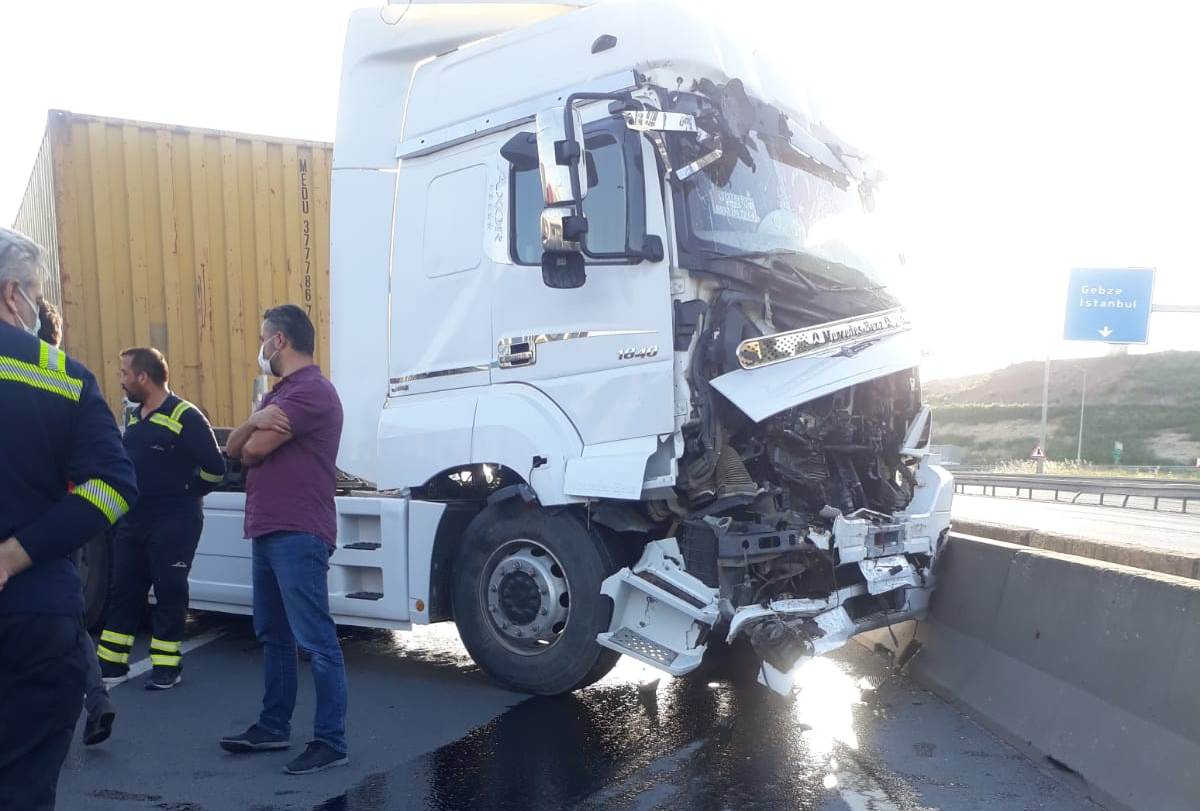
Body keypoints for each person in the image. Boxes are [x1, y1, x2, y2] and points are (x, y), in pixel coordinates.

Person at [0, 227, 138, 810]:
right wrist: (15, 554)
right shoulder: (62, 377)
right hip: (33, 613)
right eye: (35, 290)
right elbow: (113, 487)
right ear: (13, 294)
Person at [219, 304, 348, 775]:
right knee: (274, 636)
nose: (259, 347)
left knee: (316, 641)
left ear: (280, 341)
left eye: (261, 336)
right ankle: (273, 728)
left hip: (298, 531)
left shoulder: (311, 391)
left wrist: (253, 427)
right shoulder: (281, 395)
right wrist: (256, 421)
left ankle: (331, 741)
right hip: (269, 528)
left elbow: (250, 452)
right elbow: (233, 448)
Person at [96, 347, 225, 690]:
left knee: (169, 591)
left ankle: (167, 667)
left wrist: (186, 492)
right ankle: (111, 664)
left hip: (175, 521)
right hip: (134, 518)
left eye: (125, 374)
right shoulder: (134, 416)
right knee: (123, 589)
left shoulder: (187, 416)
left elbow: (216, 469)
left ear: (143, 377)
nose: (121, 381)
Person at [36, 299, 118, 746]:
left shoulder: (32, 383)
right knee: (69, 620)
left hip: (27, 527)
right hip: (68, 523)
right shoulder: (73, 382)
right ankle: (96, 696)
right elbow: (111, 475)